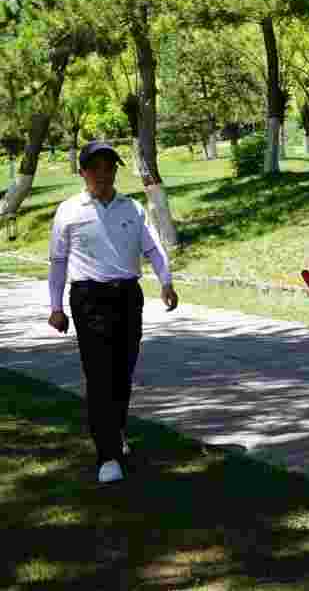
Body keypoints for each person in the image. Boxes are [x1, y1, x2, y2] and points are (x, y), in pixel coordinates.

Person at [47, 140, 179, 484]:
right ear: (83, 173)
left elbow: (153, 249)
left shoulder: (132, 208)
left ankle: (115, 430)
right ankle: (107, 456)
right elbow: (58, 261)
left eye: (109, 168)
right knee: (99, 376)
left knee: (122, 373)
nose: (103, 174)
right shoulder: (69, 211)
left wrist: (166, 282)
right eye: (96, 168)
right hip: (89, 299)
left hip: (127, 297)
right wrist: (56, 307)